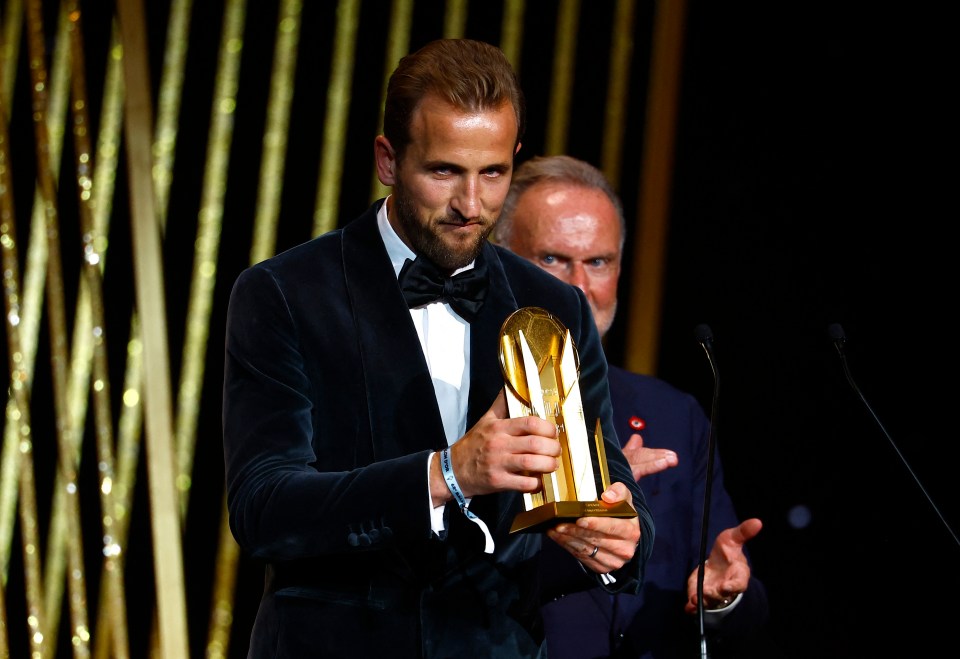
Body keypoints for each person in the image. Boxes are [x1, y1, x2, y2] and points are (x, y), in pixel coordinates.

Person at [222, 40, 654, 658]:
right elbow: (264, 510)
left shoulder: (554, 305)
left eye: (493, 173)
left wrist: (613, 527)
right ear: (388, 160)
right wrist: (445, 473)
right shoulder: (284, 293)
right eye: (444, 171)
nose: (470, 205)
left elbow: (605, 476)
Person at [494, 155, 770, 658]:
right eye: (552, 259)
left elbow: (738, 591)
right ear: (500, 260)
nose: (578, 286)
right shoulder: (461, 401)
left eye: (598, 262)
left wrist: (722, 598)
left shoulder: (674, 415)